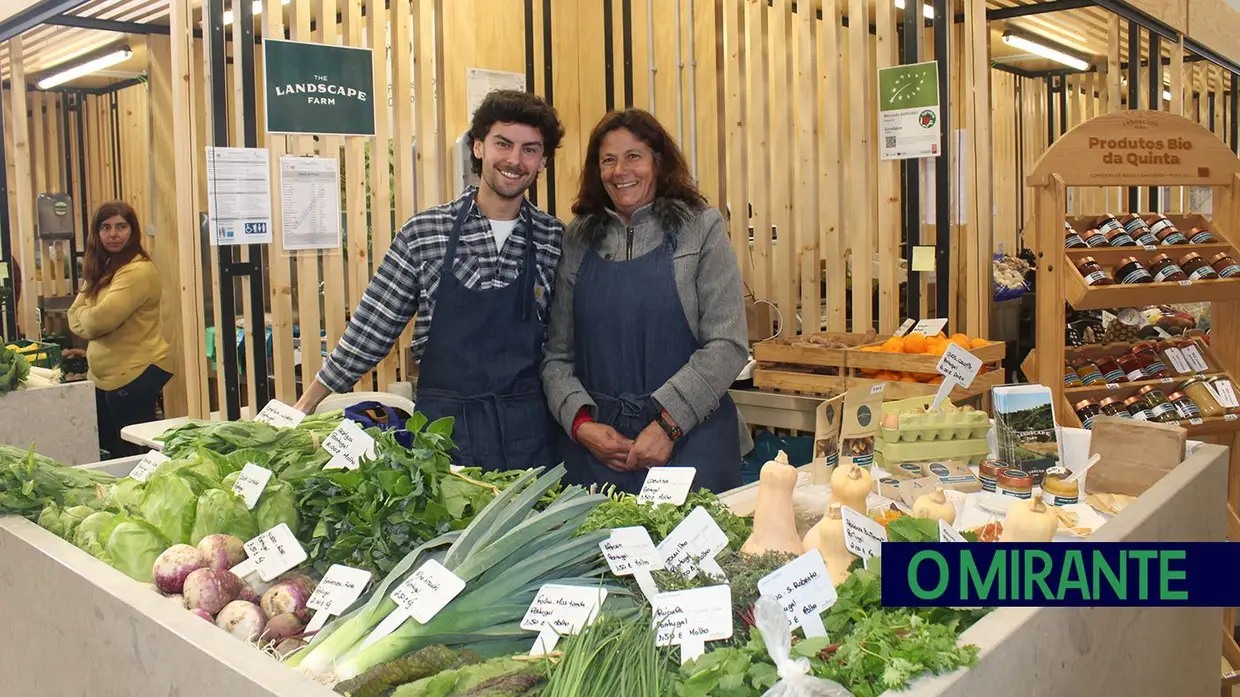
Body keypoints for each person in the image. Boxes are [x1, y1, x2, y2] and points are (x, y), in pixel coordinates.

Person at [295, 90, 566, 473]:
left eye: (529, 150)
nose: (514, 160)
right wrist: (303, 408)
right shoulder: (425, 232)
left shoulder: (555, 238)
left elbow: (566, 349)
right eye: (502, 144)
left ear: (543, 162)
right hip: (443, 434)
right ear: (478, 147)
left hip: (530, 436)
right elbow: (370, 331)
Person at [541, 108, 749, 494]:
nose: (621, 170)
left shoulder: (701, 227)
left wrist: (669, 424)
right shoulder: (578, 238)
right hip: (600, 454)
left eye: (633, 156)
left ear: (657, 160)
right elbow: (557, 356)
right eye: (608, 160)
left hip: (691, 444)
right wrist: (582, 425)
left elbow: (728, 344)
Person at [68, 201, 173, 458]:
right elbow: (73, 315)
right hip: (104, 377)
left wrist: (87, 314)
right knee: (113, 454)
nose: (112, 234)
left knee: (133, 457)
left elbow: (97, 322)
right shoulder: (103, 269)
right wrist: (87, 315)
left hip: (133, 375)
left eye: (121, 226)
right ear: (97, 232)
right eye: (105, 227)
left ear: (133, 231)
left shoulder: (136, 272)